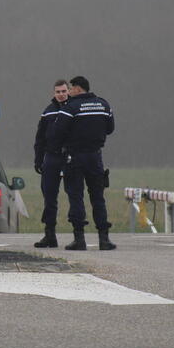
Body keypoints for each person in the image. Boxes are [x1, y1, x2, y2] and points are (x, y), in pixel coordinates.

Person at [51, 76, 116, 250]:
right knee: (98, 197)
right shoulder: (104, 105)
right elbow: (110, 129)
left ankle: (79, 239)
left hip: (75, 158)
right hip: (96, 158)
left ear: (78, 89)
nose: (69, 92)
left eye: (71, 89)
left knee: (76, 197)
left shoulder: (71, 107)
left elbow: (57, 131)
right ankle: (104, 239)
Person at [33, 79, 69, 248]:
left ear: (68, 91)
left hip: (70, 158)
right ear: (54, 93)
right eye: (58, 92)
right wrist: (38, 159)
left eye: (63, 91)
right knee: (49, 198)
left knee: (75, 196)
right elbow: (40, 138)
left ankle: (79, 235)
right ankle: (50, 235)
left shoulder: (74, 109)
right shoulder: (48, 112)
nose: (61, 94)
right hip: (51, 158)